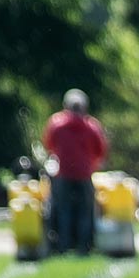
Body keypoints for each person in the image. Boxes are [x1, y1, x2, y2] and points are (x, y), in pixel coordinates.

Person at [41, 90, 107, 256]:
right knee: (85, 211)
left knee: (63, 209)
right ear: (84, 107)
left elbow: (49, 145)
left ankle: (63, 245)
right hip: (84, 174)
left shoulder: (56, 124)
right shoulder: (92, 126)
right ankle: (83, 247)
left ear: (66, 106)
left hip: (63, 173)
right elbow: (100, 151)